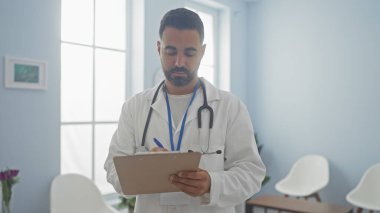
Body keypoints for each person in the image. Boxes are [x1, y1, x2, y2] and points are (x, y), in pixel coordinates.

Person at [104, 8, 266, 213]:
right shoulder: (134, 107)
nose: (179, 62)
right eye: (170, 51)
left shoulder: (230, 107)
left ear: (203, 51)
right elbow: (113, 168)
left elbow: (252, 173)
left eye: (189, 53)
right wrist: (144, 168)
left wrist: (211, 183)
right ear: (158, 48)